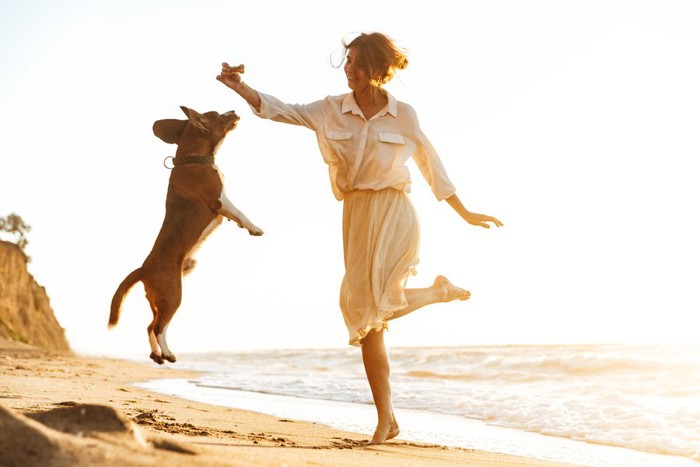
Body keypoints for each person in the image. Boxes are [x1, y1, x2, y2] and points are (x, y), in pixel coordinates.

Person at [217, 32, 502, 445]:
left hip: (394, 210)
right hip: (356, 215)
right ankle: (389, 416)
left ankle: (388, 412)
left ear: (378, 69)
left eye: (357, 64)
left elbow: (430, 165)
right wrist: (240, 87)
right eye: (347, 62)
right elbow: (281, 111)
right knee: (364, 318)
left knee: (369, 308)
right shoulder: (331, 109)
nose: (349, 70)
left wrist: (465, 212)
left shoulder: (404, 115)